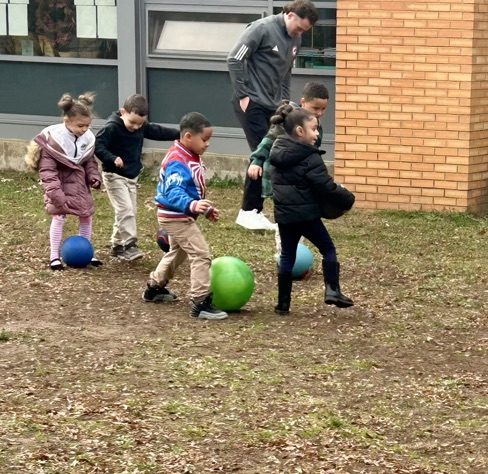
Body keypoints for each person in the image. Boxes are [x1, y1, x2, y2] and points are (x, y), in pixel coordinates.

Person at [227, 0, 318, 232]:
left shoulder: (295, 39)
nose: (300, 33)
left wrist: (285, 102)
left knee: (275, 152)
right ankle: (249, 211)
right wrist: (243, 96)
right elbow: (235, 59)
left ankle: (257, 210)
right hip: (252, 103)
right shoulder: (262, 29)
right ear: (289, 14)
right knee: (262, 152)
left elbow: (287, 71)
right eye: (299, 27)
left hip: (274, 105)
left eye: (304, 31)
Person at [268, 102, 355, 316]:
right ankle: (332, 290)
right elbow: (325, 186)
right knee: (328, 249)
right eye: (313, 129)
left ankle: (283, 304)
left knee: (287, 257)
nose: (316, 134)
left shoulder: (277, 153)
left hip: (285, 216)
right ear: (299, 131)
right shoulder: (310, 156)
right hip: (307, 216)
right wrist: (347, 198)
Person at [142, 112, 227, 321]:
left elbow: (190, 190)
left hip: (179, 214)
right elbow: (173, 192)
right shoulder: (177, 160)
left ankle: (153, 288)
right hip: (175, 218)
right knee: (200, 253)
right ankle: (200, 302)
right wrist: (192, 204)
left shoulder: (187, 155)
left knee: (177, 253)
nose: (207, 144)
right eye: (204, 139)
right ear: (188, 136)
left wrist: (203, 209)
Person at [94, 94, 179, 261]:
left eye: (140, 123)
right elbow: (98, 145)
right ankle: (129, 245)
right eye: (132, 122)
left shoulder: (140, 126)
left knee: (128, 211)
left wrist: (180, 134)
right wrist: (111, 158)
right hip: (114, 175)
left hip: (131, 177)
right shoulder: (112, 127)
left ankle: (117, 246)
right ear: (122, 112)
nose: (135, 127)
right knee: (125, 210)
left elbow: (157, 131)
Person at [25, 92, 103, 271]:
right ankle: (54, 256)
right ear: (67, 121)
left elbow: (89, 161)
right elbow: (47, 172)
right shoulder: (53, 142)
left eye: (87, 125)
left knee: (86, 215)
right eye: (80, 125)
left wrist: (93, 177)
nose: (84, 129)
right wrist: (56, 195)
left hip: (79, 185)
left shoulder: (87, 138)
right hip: (59, 186)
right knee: (59, 216)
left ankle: (85, 251)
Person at [246, 80, 330, 208]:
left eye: (323, 109)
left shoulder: (316, 124)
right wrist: (256, 161)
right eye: (315, 108)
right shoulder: (290, 119)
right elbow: (269, 139)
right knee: (285, 206)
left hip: (301, 174)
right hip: (283, 174)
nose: (319, 113)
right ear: (303, 102)